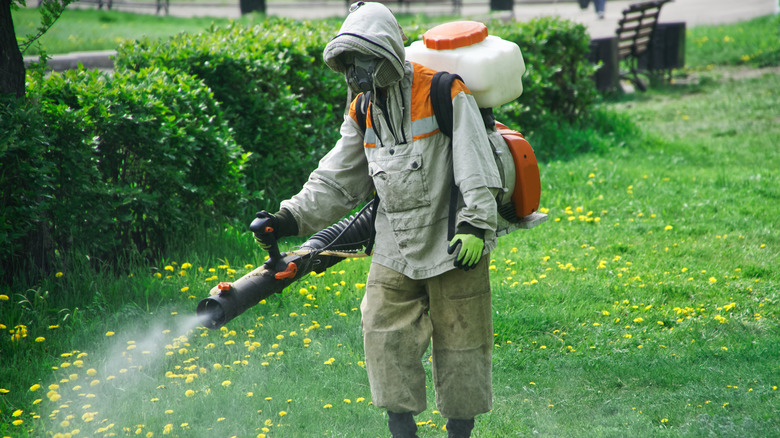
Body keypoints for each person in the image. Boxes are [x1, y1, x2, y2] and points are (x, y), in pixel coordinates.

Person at [252, 2, 502, 437]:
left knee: (462, 346)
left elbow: (475, 162)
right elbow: (336, 178)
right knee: (382, 337)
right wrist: (288, 217)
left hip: (453, 241)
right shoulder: (362, 109)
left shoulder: (443, 91)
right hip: (394, 245)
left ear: (385, 55)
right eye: (348, 65)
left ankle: (460, 431)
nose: (354, 75)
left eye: (360, 62)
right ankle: (401, 429)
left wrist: (476, 225)